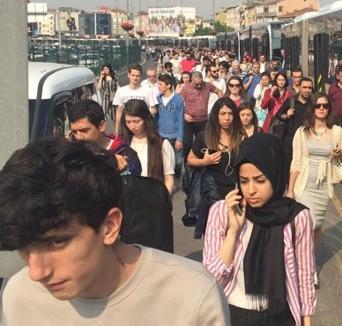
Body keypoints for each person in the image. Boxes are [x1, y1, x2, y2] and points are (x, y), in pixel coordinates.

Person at [0, 138, 231, 325]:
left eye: (56, 243)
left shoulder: (193, 296)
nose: (37, 273)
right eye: (24, 248)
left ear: (109, 226)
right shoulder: (18, 298)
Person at [202, 133, 316, 326]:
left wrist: (306, 321)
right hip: (233, 314)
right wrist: (233, 232)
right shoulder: (222, 211)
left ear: (276, 175)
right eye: (244, 181)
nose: (251, 190)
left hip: (280, 315)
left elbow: (305, 275)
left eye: (260, 180)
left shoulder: (296, 217)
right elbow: (209, 277)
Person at [287, 93, 342, 286]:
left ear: (329, 109)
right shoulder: (302, 132)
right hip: (304, 185)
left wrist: (340, 154)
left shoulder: (337, 131)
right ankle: (303, 266)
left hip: (323, 187)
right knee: (306, 226)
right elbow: (295, 163)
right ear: (312, 108)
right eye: (318, 106)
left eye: (325, 106)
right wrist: (290, 191)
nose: (321, 109)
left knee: (316, 228)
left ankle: (309, 263)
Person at [187, 98, 245, 239]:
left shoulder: (241, 138)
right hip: (212, 196)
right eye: (222, 113)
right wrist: (204, 161)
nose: (227, 118)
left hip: (236, 195)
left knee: (236, 239)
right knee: (214, 239)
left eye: (230, 113)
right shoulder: (204, 137)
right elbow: (190, 160)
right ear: (215, 116)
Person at [68, 99, 141, 176]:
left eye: (84, 130)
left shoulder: (126, 155)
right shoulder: (72, 155)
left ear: (101, 126)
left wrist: (123, 174)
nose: (79, 137)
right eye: (74, 132)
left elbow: (134, 186)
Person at [120, 99, 175, 194]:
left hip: (153, 198)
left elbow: (168, 177)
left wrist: (164, 201)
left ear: (146, 119)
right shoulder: (121, 143)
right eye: (128, 122)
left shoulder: (161, 144)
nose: (132, 126)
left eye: (136, 121)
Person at [180, 71, 223, 162]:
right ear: (192, 80)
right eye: (197, 84)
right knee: (187, 143)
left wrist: (221, 105)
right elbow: (179, 104)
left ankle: (202, 162)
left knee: (203, 143)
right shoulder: (185, 88)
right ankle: (187, 163)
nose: (199, 86)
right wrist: (184, 114)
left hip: (203, 120)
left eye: (200, 83)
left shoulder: (207, 85)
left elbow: (219, 91)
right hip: (189, 121)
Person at [113, 64, 157, 135]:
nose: (135, 78)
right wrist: (116, 129)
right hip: (126, 128)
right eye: (133, 75)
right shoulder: (121, 91)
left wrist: (142, 117)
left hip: (143, 128)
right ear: (128, 75)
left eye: (137, 76)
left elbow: (154, 109)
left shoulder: (147, 90)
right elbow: (119, 111)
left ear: (140, 76)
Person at [156, 73, 185, 179]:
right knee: (163, 161)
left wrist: (180, 138)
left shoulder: (178, 100)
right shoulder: (157, 99)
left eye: (160, 84)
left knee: (177, 162)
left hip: (174, 136)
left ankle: (177, 178)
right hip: (161, 136)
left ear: (168, 85)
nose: (158, 86)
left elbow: (181, 119)